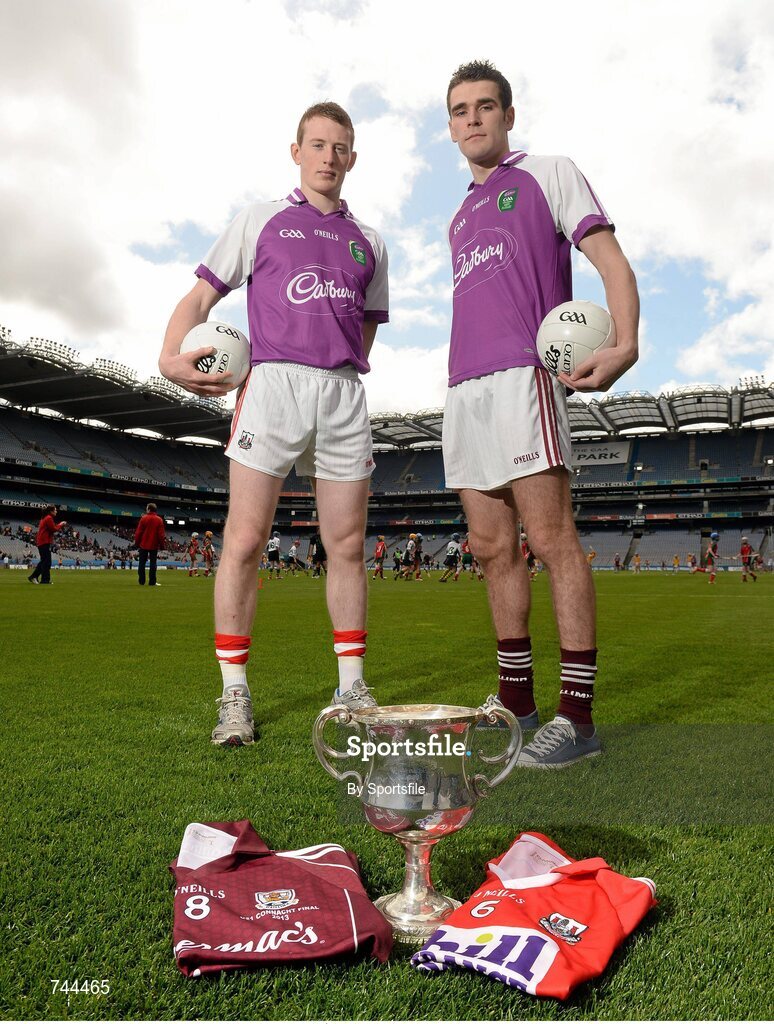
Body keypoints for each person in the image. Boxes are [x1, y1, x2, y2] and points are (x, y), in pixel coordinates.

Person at [159, 101, 389, 746]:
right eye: (317, 145)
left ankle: (352, 690)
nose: (328, 157)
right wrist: (169, 355)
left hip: (343, 393)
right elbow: (202, 295)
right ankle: (234, 695)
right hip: (273, 387)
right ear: (297, 151)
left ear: (352, 156)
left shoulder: (370, 241)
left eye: (340, 147)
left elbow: (367, 326)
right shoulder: (259, 221)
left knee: (346, 545)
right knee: (244, 540)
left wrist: (339, 359)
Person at [442, 60, 639, 768]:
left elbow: (612, 262)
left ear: (508, 115)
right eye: (461, 109)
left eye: (485, 106)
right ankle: (516, 706)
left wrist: (625, 342)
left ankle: (578, 719)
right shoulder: (459, 215)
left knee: (553, 539)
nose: (473, 118)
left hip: (525, 377)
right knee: (493, 549)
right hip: (464, 389)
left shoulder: (549, 172)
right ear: (451, 124)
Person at [28, 505, 67, 585]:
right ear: (51, 511)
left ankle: (35, 577)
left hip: (42, 542)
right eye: (55, 510)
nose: (56, 511)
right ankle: (44, 580)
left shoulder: (44, 518)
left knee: (44, 561)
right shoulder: (49, 518)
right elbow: (54, 529)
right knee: (46, 562)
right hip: (44, 542)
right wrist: (61, 524)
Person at [134, 502, 166, 586]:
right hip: (154, 545)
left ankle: (141, 581)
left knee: (141, 563)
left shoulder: (143, 518)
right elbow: (161, 535)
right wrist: (162, 545)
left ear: (149, 509)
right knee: (153, 564)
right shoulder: (159, 520)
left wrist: (136, 543)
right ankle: (152, 581)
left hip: (143, 544)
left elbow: (139, 532)